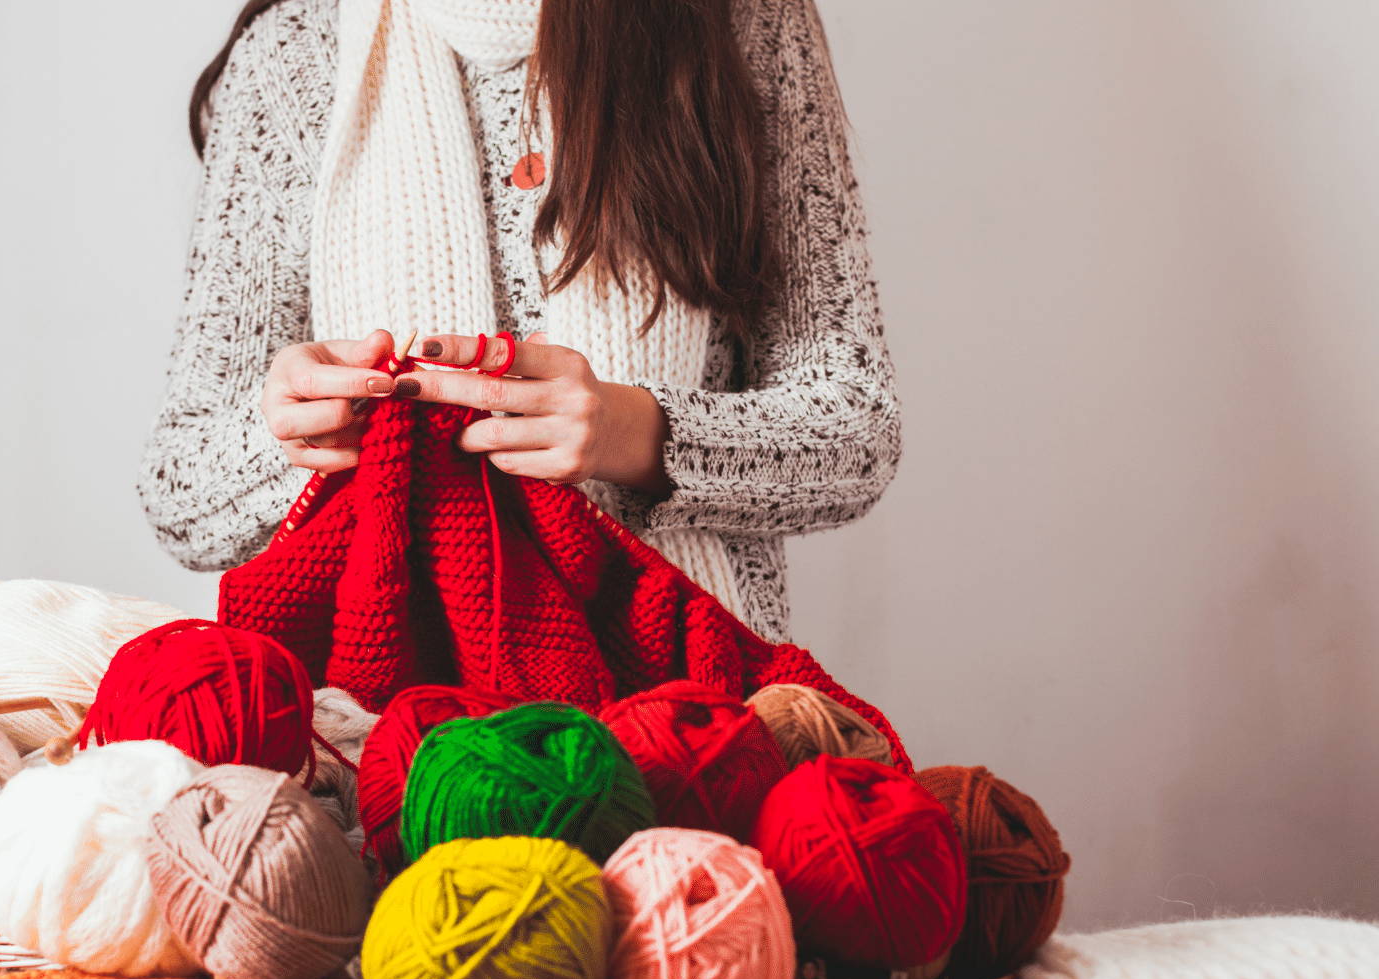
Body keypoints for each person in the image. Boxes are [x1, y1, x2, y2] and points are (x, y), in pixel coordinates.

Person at [140, 0, 899, 641]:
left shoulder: (740, 20)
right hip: (384, 734)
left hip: (695, 719)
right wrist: (300, 434)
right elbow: (183, 492)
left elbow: (858, 433)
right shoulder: (296, 49)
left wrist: (630, 434)